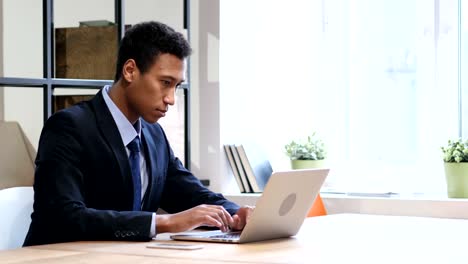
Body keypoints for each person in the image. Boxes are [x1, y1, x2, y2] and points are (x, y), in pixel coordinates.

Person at [23, 21, 252, 246]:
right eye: (165, 82)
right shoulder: (68, 127)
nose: (171, 98)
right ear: (130, 71)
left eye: (176, 86)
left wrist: (236, 213)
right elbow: (64, 216)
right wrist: (163, 222)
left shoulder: (154, 135)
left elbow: (191, 193)